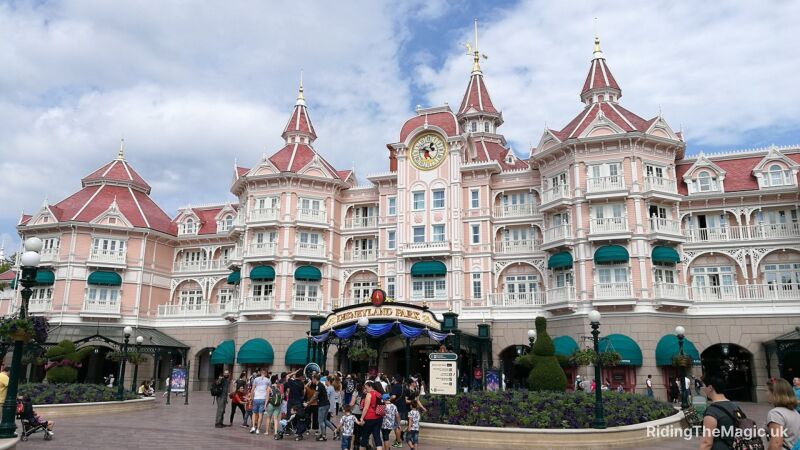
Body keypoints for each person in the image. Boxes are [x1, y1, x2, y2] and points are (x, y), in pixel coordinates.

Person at [698, 373, 738, 450]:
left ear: (710, 388)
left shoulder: (712, 412)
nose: (703, 389)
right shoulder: (735, 406)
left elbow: (707, 443)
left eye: (704, 386)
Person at [765, 378, 800, 450]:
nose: (766, 393)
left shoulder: (776, 413)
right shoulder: (795, 412)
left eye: (767, 390)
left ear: (774, 393)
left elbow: (776, 444)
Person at [306, 375, 336, 441]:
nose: (311, 381)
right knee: (325, 420)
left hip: (323, 405)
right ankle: (335, 431)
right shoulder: (321, 385)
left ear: (315, 379)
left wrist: (308, 403)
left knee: (321, 421)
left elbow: (315, 396)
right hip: (326, 404)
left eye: (312, 379)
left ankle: (323, 436)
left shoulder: (319, 385)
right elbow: (316, 396)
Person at [357, 381, 383, 450]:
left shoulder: (369, 394)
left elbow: (366, 408)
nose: (365, 389)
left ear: (370, 386)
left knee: (365, 436)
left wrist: (362, 418)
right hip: (379, 417)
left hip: (369, 418)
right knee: (377, 436)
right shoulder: (379, 394)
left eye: (366, 388)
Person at [250, 368, 270, 434]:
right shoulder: (268, 380)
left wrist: (251, 398)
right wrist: (266, 403)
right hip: (263, 398)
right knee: (260, 414)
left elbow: (252, 389)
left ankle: (253, 427)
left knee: (254, 413)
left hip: (256, 398)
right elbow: (268, 392)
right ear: (266, 373)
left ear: (260, 373)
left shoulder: (256, 379)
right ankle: (258, 429)